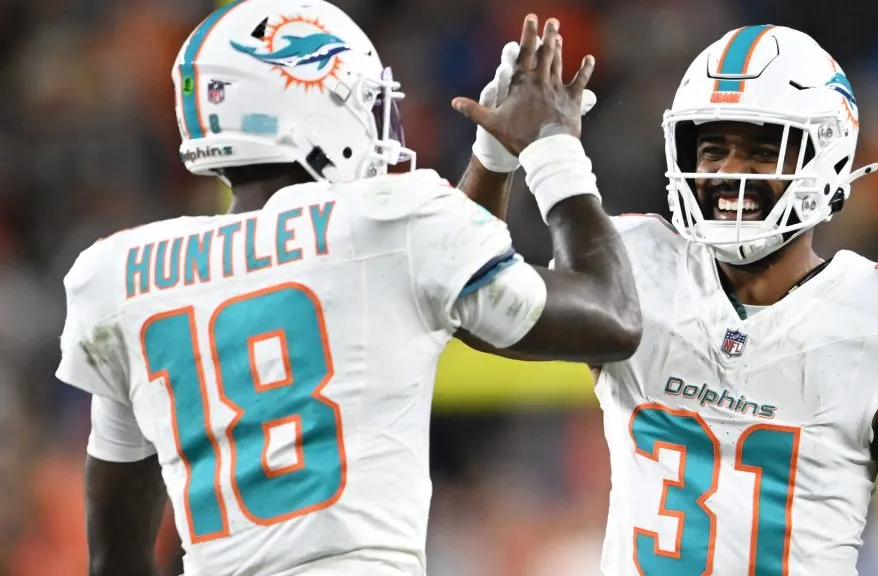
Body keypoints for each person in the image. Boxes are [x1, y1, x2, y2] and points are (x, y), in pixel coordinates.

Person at [54, 0, 640, 573]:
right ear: (311, 102)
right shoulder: (393, 221)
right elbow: (611, 318)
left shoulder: (119, 274)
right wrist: (555, 148)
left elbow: (116, 557)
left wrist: (492, 160)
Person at [463, 25, 878, 575]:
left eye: (764, 151)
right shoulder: (634, 266)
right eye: (713, 148)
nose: (728, 174)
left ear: (825, 159)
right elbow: (472, 303)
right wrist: (495, 155)